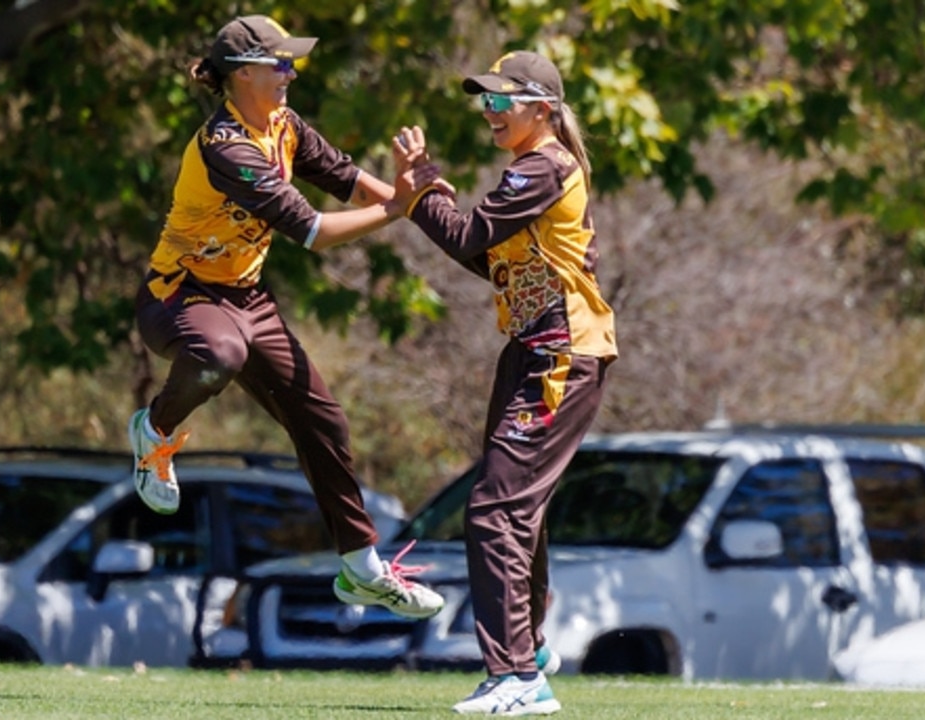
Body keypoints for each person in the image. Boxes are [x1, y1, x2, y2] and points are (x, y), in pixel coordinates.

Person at [126, 14, 443, 620]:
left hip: (248, 300)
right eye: (279, 63)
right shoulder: (228, 147)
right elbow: (314, 230)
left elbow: (347, 182)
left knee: (323, 421)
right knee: (219, 356)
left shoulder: (283, 125)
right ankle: (156, 431)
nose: (290, 72)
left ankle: (360, 568)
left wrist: (416, 199)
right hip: (180, 298)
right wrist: (400, 209)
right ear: (242, 73)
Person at [393, 51, 619, 715]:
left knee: (495, 509)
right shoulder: (531, 168)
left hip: (560, 356)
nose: (489, 112)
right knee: (518, 506)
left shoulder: (544, 165)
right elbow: (481, 255)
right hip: (533, 350)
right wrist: (421, 196)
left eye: (500, 101)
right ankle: (531, 651)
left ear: (541, 109)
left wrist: (423, 192)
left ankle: (517, 676)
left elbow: (465, 231)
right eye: (485, 102)